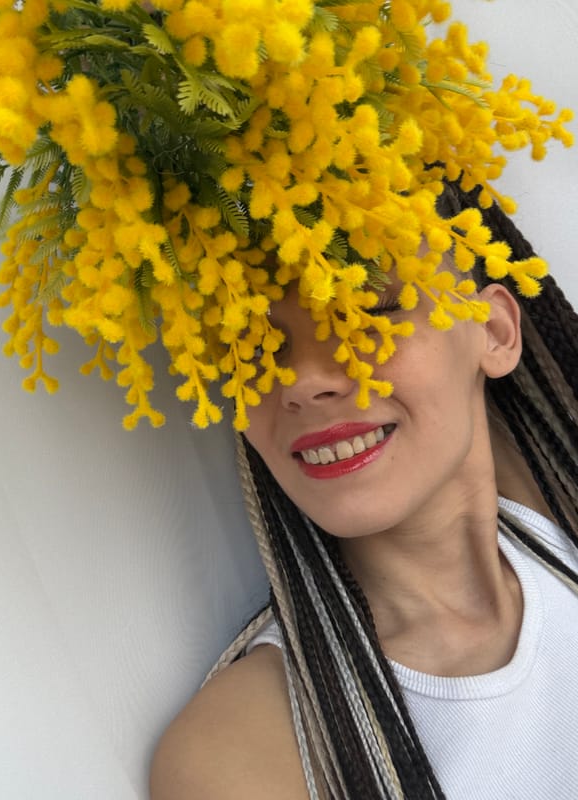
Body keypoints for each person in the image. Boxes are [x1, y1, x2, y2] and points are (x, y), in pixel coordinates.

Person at [149, 176, 578, 798]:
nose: (299, 380)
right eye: (251, 341)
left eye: (367, 307)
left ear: (494, 331)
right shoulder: (247, 750)